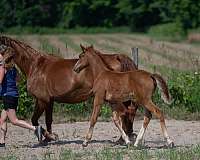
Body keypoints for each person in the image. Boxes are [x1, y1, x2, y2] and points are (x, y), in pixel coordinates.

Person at [0, 48, 44, 147]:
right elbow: (19, 80)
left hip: (8, 95)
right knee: (2, 119)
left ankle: (35, 129)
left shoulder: (3, 67)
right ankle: (2, 142)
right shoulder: (13, 68)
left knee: (14, 120)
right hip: (14, 95)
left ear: (3, 56)